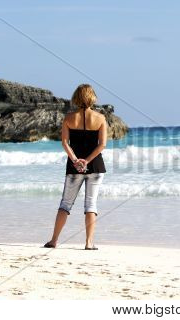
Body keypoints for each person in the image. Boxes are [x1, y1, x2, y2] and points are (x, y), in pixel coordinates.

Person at [44, 84, 107, 250]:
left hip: (74, 168)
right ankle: (89, 243)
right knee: (91, 205)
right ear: (92, 97)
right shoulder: (100, 118)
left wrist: (76, 160)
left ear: (76, 97)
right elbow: (102, 145)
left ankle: (54, 241)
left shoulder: (69, 118)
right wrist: (87, 161)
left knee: (65, 204)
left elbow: (65, 143)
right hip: (95, 166)